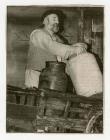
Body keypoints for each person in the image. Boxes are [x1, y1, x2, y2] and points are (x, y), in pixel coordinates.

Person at [25, 10, 87, 89]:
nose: (57, 22)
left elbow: (63, 52)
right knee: (36, 98)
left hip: (53, 76)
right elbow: (53, 47)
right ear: (45, 21)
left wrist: (77, 46)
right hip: (36, 74)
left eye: (58, 20)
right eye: (54, 19)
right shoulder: (38, 34)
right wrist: (74, 49)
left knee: (51, 100)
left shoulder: (57, 38)